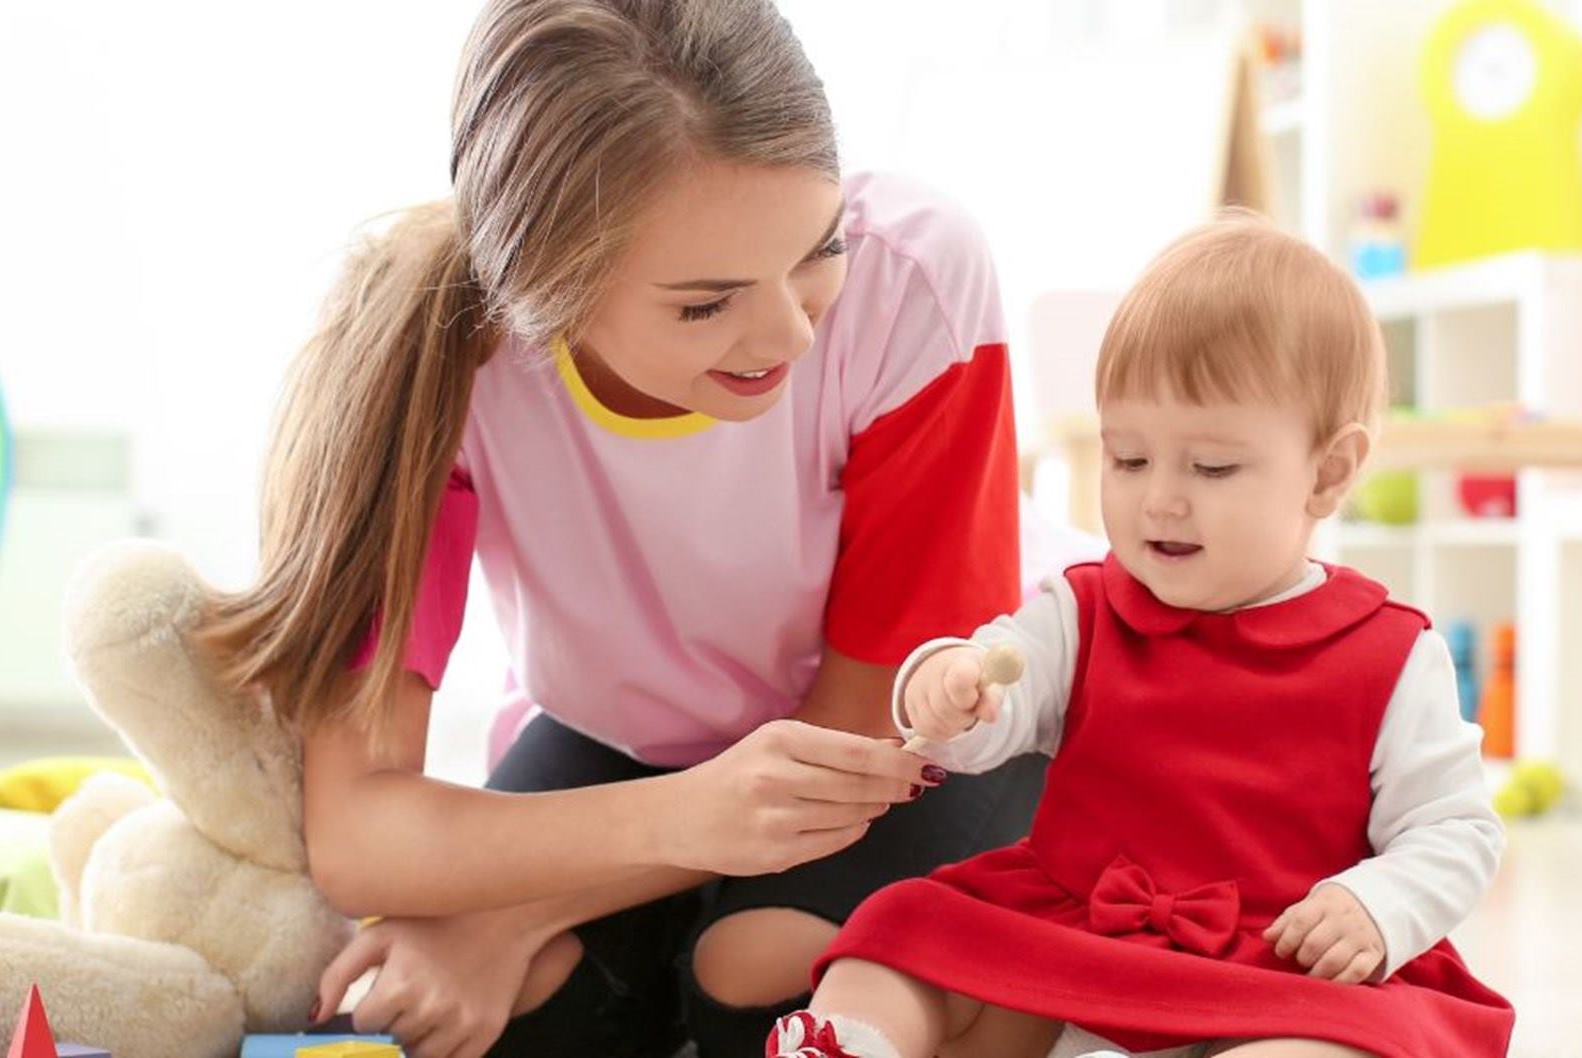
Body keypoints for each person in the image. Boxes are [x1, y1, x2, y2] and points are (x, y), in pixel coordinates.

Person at [191, 2, 1053, 1055]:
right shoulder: (429, 367)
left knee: (761, 987)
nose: (785, 329)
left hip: (909, 739)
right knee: (479, 1013)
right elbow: (361, 828)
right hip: (628, 744)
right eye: (706, 304)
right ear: (541, 293)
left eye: (815, 249)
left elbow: (860, 736)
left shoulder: (915, 277)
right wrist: (662, 831)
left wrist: (511, 907)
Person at [774, 214, 1514, 1058]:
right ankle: (854, 1042)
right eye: (1128, 459)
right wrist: (948, 688)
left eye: (1210, 468)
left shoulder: (1388, 651)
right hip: (1078, 925)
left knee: (1336, 1045)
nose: (1160, 499)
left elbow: (1456, 830)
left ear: (1330, 471)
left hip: (1278, 960)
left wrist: (1377, 907)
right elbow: (999, 705)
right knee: (898, 929)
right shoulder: (1083, 607)